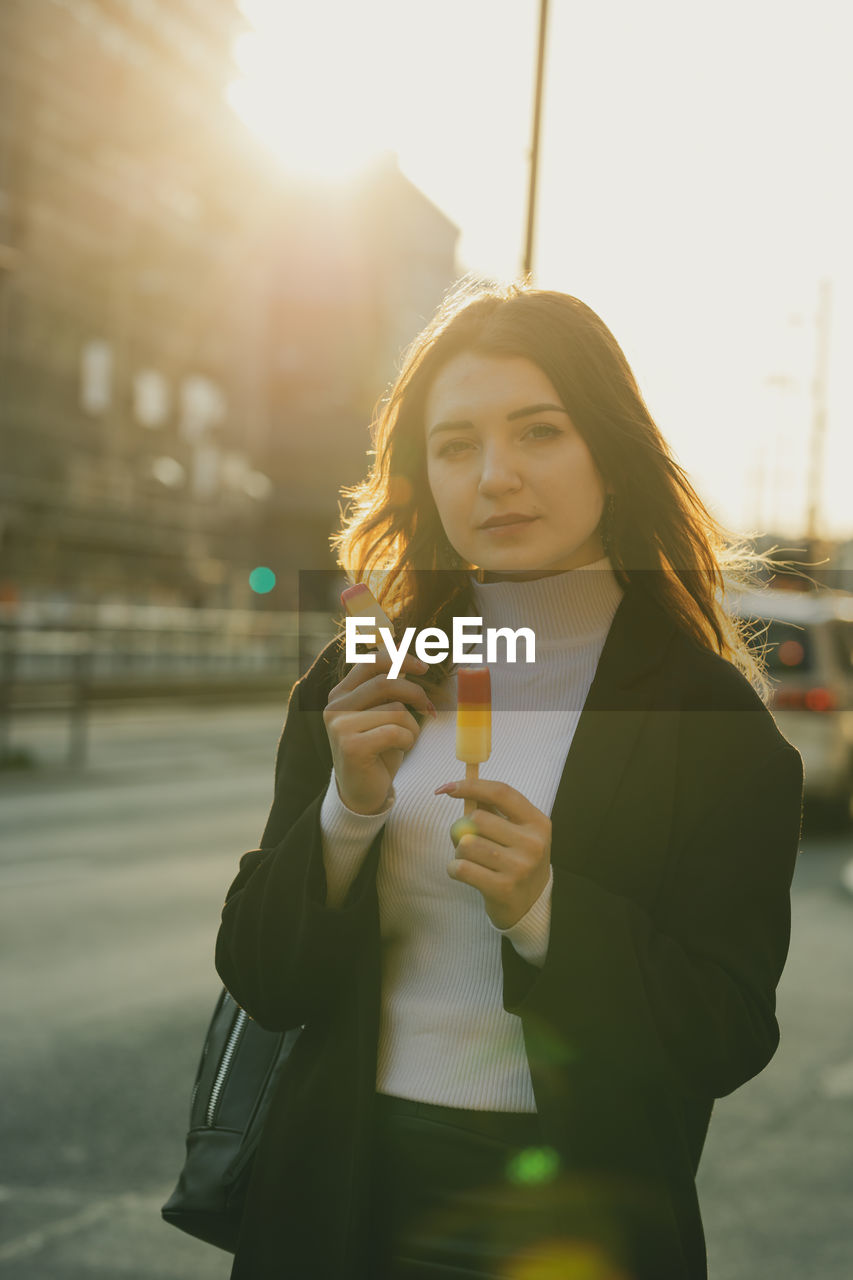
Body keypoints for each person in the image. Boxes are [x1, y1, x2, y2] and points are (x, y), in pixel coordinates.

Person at [215, 282, 804, 1280]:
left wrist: (545, 909)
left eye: (538, 432)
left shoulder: (707, 720)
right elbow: (265, 976)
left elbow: (725, 1031)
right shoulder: (359, 679)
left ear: (609, 457)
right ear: (423, 476)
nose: (496, 476)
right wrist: (346, 813)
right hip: (339, 1195)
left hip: (578, 1215)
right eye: (456, 445)